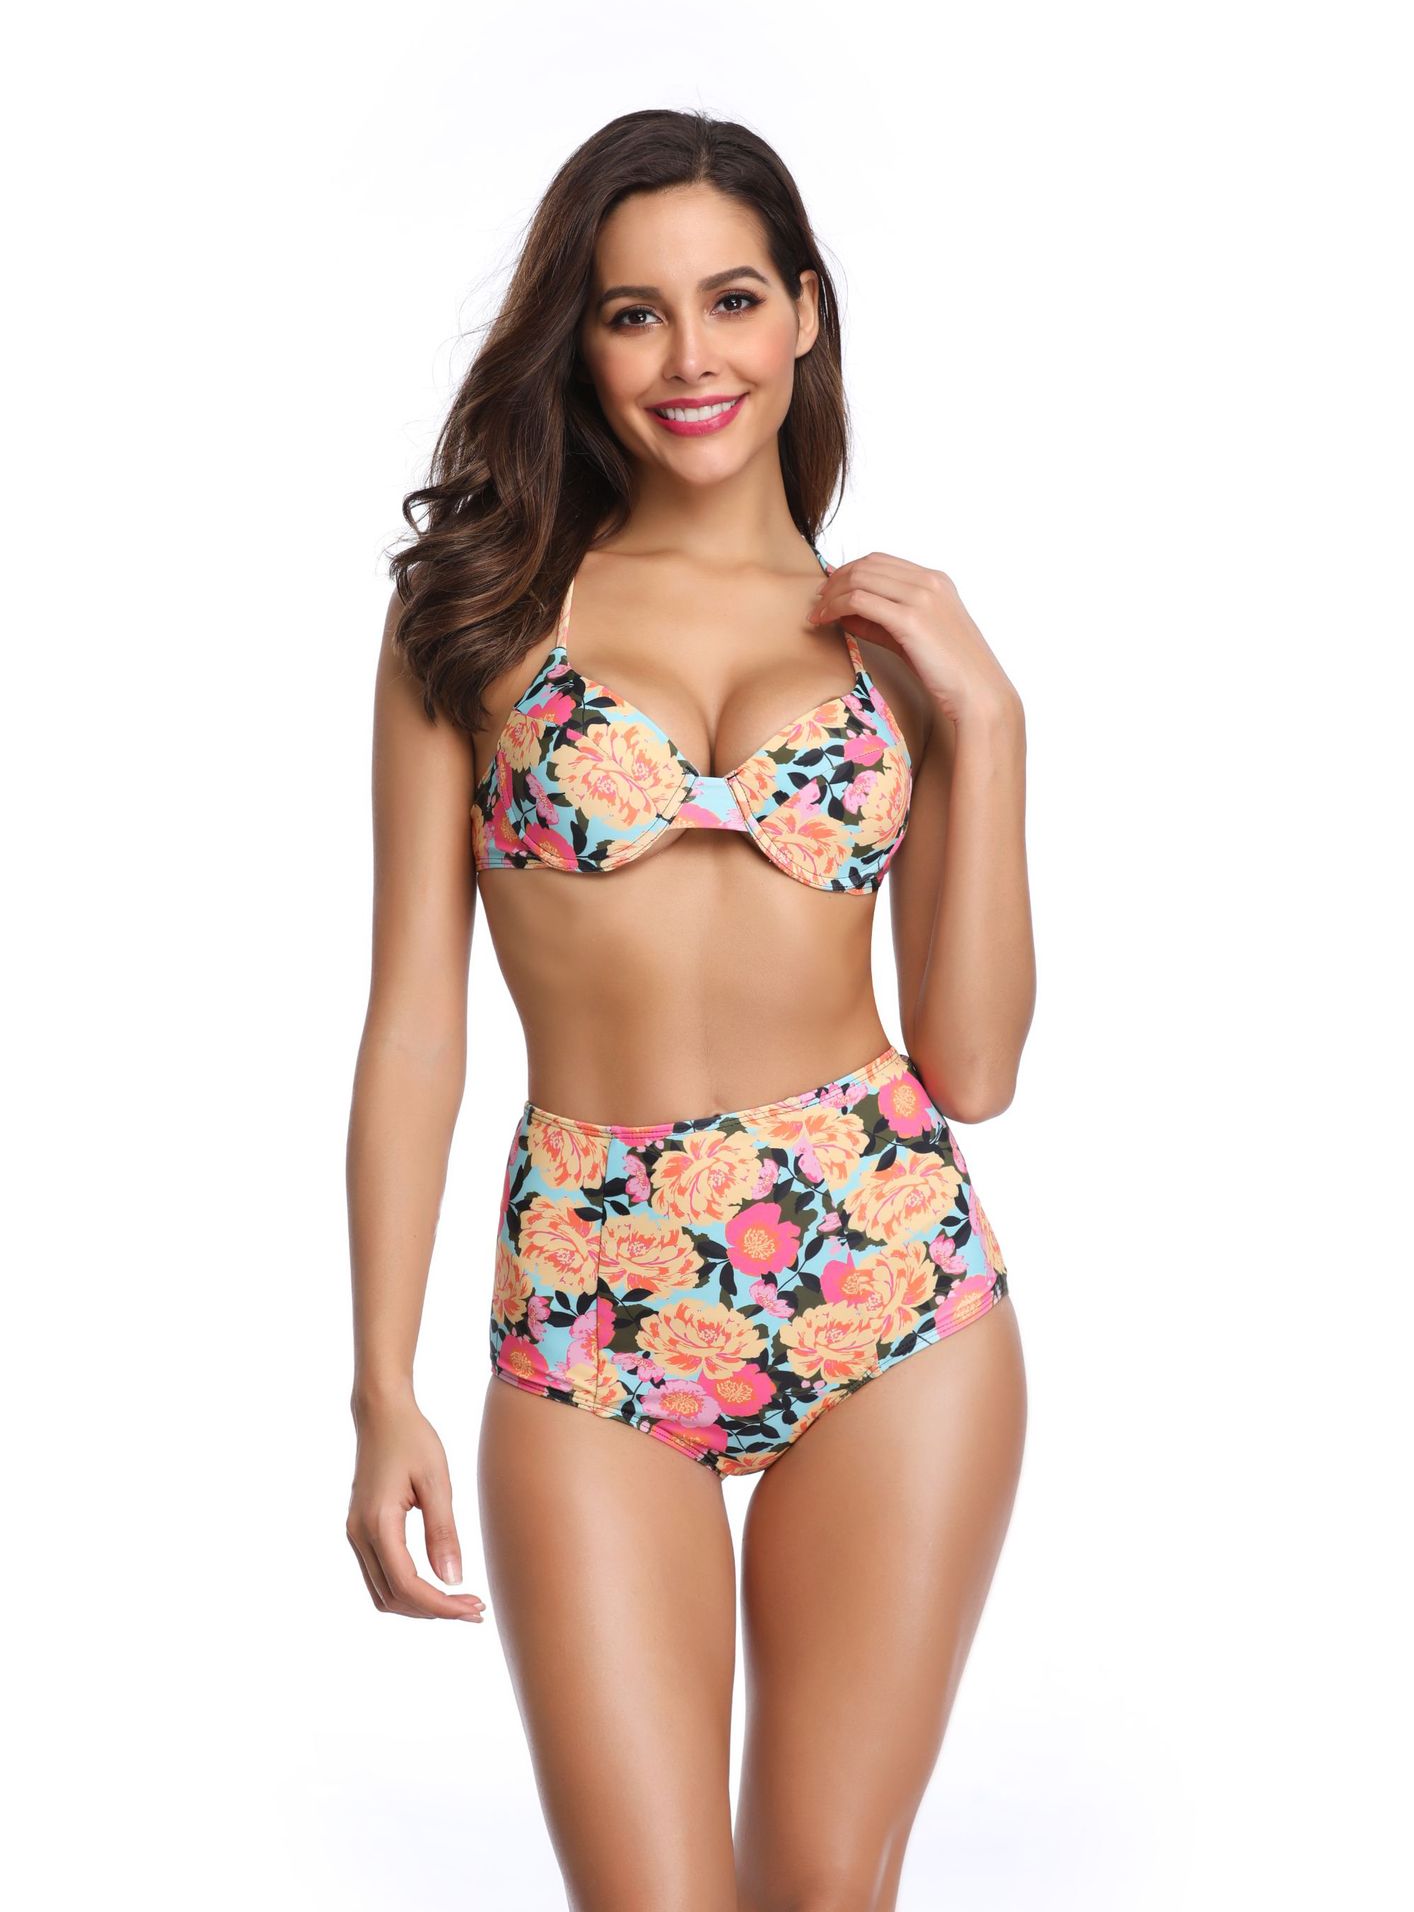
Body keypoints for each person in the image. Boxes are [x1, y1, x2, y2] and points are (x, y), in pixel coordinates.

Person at [346, 107, 1033, 1912]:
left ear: (802, 311)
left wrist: (991, 725)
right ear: (577, 342)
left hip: (887, 1282)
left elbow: (970, 1066)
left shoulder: (893, 641)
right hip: (589, 1295)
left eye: (730, 300)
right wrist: (380, 1389)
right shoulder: (478, 619)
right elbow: (414, 1025)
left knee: (823, 1888)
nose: (688, 358)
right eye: (631, 313)